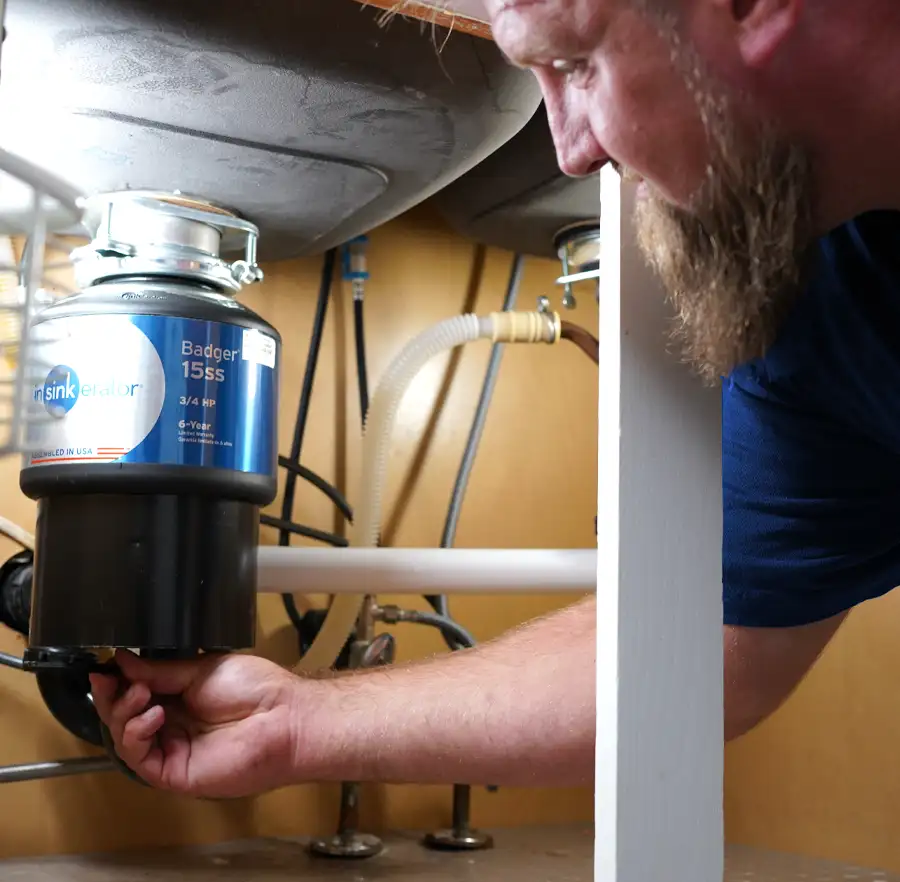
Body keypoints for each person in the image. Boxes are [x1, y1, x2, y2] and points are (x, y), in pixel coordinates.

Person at [91, 0, 900, 798]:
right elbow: (704, 648)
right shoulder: (819, 317)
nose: (571, 149)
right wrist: (297, 724)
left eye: (576, 64)